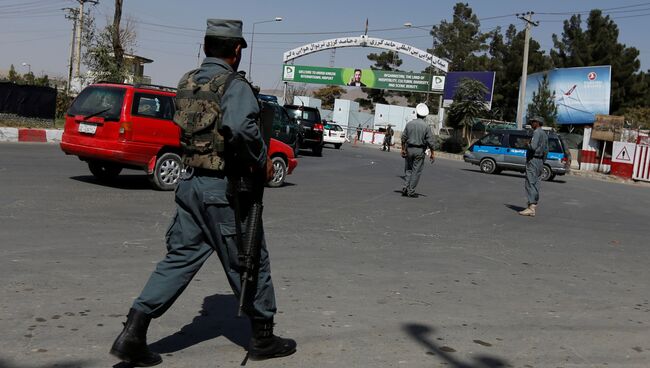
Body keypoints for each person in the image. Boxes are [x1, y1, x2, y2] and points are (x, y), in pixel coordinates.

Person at [109, 19, 296, 366]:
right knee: (250, 260)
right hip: (224, 189)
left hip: (190, 183)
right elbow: (240, 127)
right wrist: (262, 160)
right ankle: (263, 337)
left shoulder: (188, 82)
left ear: (206, 46)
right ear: (236, 50)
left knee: (180, 259)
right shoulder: (233, 85)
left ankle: (133, 330)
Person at [401, 103, 435, 198]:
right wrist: (432, 153)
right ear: (425, 116)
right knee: (416, 171)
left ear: (416, 113)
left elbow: (403, 138)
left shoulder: (409, 124)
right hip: (419, 151)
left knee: (408, 170)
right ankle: (411, 191)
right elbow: (430, 142)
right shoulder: (426, 127)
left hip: (409, 149)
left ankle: (405, 188)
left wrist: (403, 149)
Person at [519, 116, 549, 217]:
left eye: (533, 122)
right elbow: (546, 150)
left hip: (533, 160)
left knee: (530, 182)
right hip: (540, 161)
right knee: (536, 183)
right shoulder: (544, 134)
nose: (531, 123)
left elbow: (533, 147)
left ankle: (531, 207)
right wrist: (542, 161)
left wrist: (527, 144)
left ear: (537, 123)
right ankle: (533, 205)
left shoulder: (536, 132)